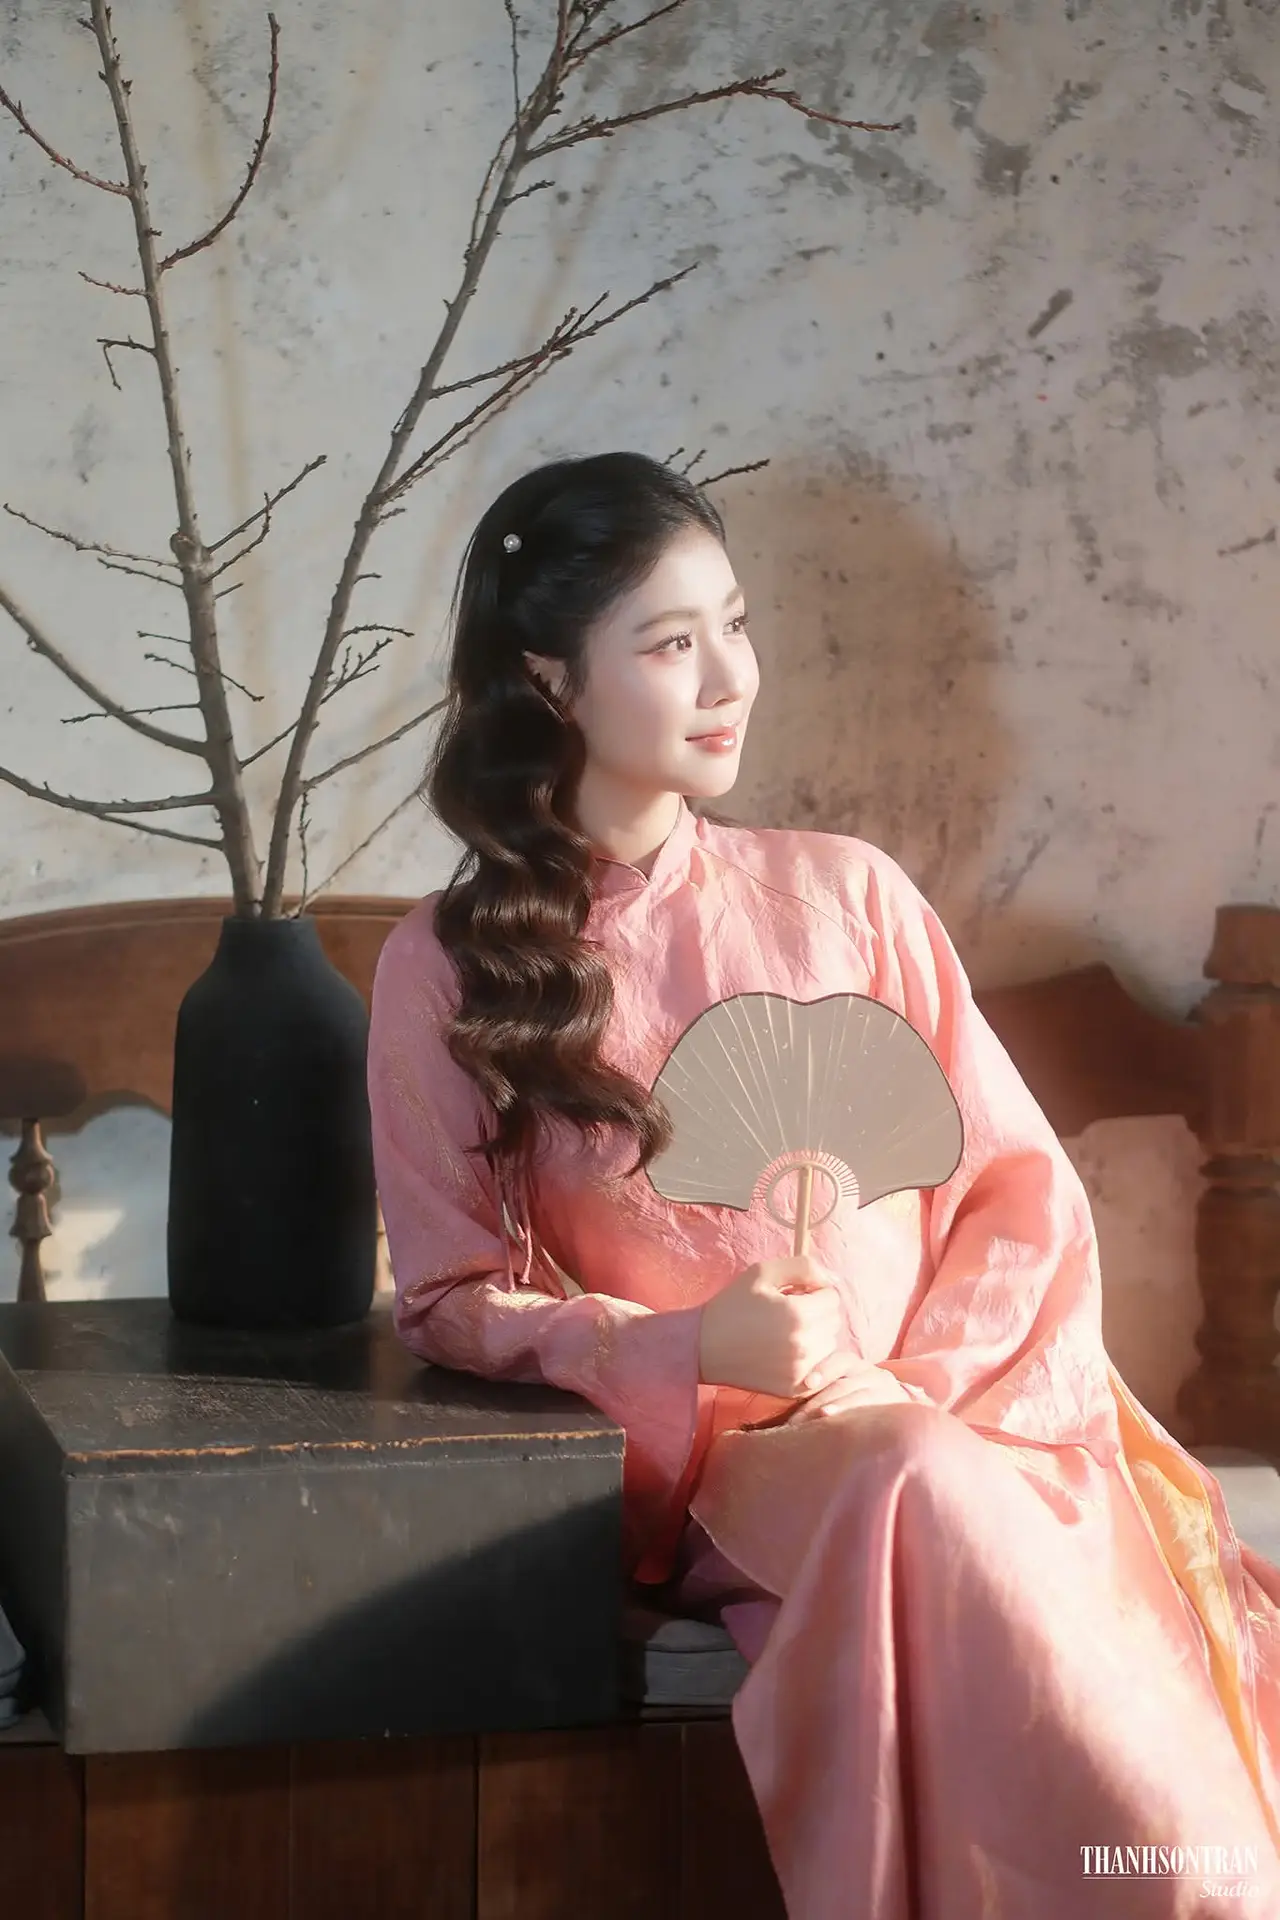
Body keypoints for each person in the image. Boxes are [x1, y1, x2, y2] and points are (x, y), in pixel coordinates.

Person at [366, 449, 1280, 1917]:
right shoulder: (446, 969)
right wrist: (684, 1345)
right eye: (672, 643)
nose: (731, 677)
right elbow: (448, 1296)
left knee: (920, 1473)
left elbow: (1019, 1197)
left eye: (735, 622)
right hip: (725, 1470)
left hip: (965, 1422)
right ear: (551, 679)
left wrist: (909, 1383)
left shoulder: (849, 893)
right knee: (903, 1482)